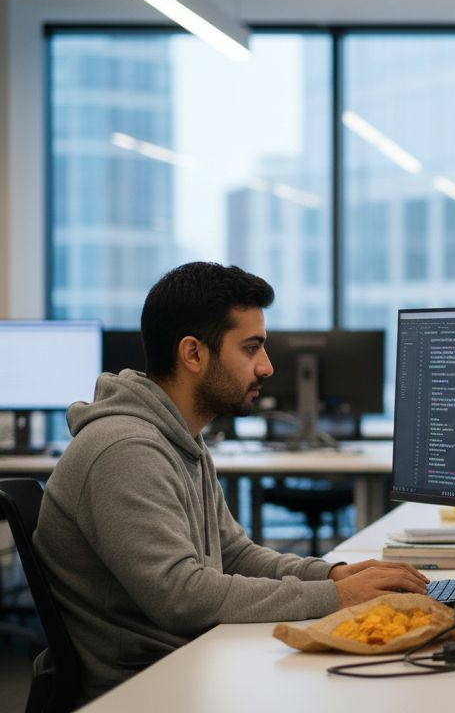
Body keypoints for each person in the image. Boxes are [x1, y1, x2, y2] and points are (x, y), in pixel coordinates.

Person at [35, 262, 428, 702]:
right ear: (193, 354)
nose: (267, 366)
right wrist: (334, 596)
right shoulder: (124, 449)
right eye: (251, 348)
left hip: (191, 662)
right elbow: (181, 596)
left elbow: (234, 554)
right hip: (146, 689)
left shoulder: (180, 437)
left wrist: (335, 574)